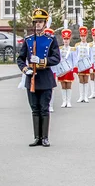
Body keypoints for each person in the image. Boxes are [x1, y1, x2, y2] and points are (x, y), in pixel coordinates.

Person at [16, 8, 61, 147]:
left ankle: (45, 137)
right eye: (36, 22)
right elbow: (20, 58)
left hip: (45, 78)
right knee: (34, 108)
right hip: (32, 78)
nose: (38, 24)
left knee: (44, 108)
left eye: (40, 22)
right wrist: (25, 69)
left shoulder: (50, 40)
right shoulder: (29, 40)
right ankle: (37, 137)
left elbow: (56, 58)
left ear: (45, 23)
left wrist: (42, 61)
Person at [57, 20, 76, 108]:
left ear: (70, 39)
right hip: (62, 69)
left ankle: (68, 101)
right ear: (62, 39)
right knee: (63, 85)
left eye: (67, 39)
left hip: (69, 69)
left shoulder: (72, 49)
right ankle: (64, 101)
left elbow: (74, 60)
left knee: (68, 85)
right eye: (64, 39)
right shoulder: (60, 49)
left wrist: (73, 68)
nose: (66, 41)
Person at [75, 19, 91, 103]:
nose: (83, 37)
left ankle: (86, 96)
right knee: (81, 80)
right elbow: (76, 56)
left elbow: (91, 56)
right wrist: (75, 66)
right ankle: (81, 96)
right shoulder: (77, 45)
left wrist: (91, 66)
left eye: (84, 36)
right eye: (82, 36)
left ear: (86, 36)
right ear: (80, 36)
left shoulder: (89, 45)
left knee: (86, 79)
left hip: (87, 64)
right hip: (80, 64)